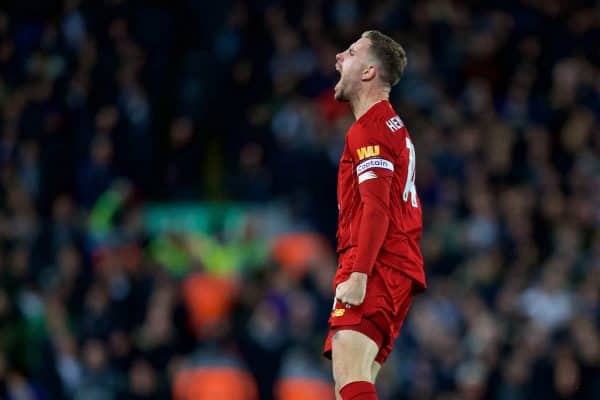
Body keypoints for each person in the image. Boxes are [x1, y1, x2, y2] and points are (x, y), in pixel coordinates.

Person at [322, 30, 427, 400]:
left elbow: (377, 209)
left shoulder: (370, 130)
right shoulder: (390, 125)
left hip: (376, 262)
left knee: (349, 376)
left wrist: (360, 273)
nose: (338, 57)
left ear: (368, 71)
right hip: (395, 265)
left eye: (350, 53)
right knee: (348, 384)